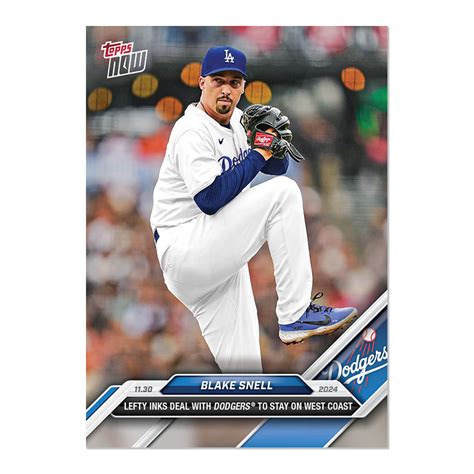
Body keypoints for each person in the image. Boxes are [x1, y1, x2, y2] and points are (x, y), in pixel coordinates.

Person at [150, 46, 357, 373]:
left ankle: (247, 403)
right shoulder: (191, 130)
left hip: (212, 257)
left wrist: (273, 145)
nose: (226, 89)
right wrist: (259, 153)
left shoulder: (237, 121)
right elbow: (209, 199)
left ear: (243, 87)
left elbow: (276, 167)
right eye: (218, 80)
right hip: (185, 246)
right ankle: (295, 314)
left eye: (234, 82)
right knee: (284, 193)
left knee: (245, 372)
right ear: (202, 83)